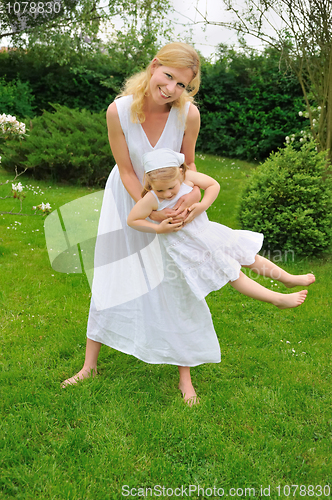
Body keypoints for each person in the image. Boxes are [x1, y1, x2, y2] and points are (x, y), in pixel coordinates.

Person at [62, 42, 221, 405]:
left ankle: (185, 374)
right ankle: (90, 365)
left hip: (176, 201)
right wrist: (149, 211)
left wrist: (190, 200)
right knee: (112, 276)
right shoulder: (117, 112)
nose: (171, 90)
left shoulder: (188, 115)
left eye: (182, 85)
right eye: (168, 78)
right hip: (128, 201)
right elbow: (127, 169)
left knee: (177, 279)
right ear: (154, 66)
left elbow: (190, 166)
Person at [127, 148, 315, 308]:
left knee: (248, 256)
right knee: (232, 273)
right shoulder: (152, 198)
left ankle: (288, 279)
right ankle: (277, 299)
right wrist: (159, 229)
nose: (167, 194)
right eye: (160, 190)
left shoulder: (187, 178)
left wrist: (202, 205)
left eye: (171, 188)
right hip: (191, 246)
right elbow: (133, 220)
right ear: (150, 183)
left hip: (208, 232)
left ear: (179, 173)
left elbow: (212, 185)